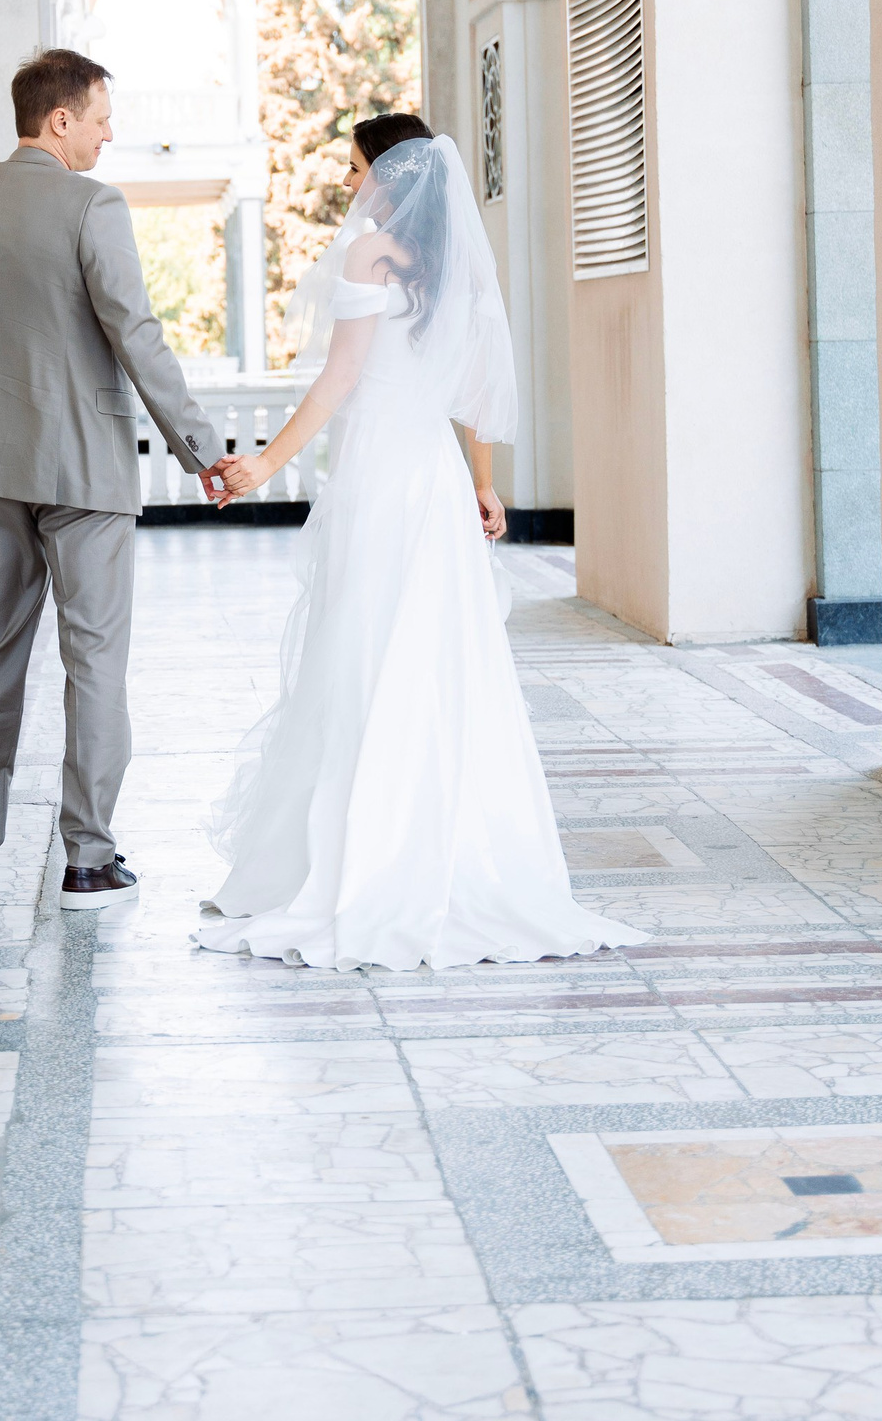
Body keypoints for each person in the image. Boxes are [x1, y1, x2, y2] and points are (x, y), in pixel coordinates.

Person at [198, 114, 638, 973]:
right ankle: (457, 845)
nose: (350, 183)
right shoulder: (454, 262)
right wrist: (482, 482)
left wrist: (266, 464)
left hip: (382, 473)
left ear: (391, 178)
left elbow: (340, 378)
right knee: (440, 652)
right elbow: (476, 388)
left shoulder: (369, 253)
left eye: (357, 167)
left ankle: (368, 856)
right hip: (435, 474)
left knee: (365, 644)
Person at [0, 47, 226, 910]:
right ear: (60, 119)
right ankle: (88, 860)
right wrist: (202, 447)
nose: (108, 135)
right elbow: (135, 331)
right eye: (100, 119)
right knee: (94, 660)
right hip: (84, 465)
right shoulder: (93, 205)